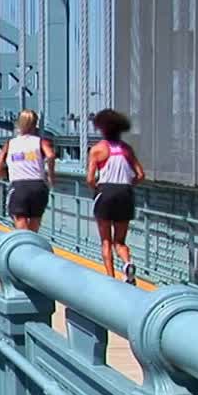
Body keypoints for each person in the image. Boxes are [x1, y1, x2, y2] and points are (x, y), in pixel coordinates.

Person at [86, 108, 145, 284]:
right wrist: (128, 185)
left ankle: (111, 278)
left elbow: (90, 178)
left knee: (106, 241)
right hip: (125, 194)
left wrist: (96, 187)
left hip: (105, 192)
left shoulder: (98, 150)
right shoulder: (127, 149)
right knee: (120, 242)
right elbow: (141, 175)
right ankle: (127, 264)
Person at [0, 109, 56, 232]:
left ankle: (24, 242)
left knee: (21, 223)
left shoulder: (10, 144)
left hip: (19, 186)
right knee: (35, 223)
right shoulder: (40, 142)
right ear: (35, 124)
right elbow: (51, 155)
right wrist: (51, 177)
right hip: (38, 186)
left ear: (19, 123)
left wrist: (8, 174)